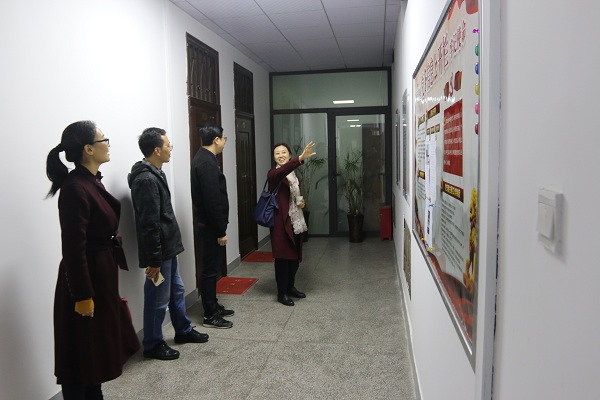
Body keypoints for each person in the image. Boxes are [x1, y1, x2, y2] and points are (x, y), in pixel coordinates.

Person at [46, 120, 140, 400]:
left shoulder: (90, 181)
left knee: (94, 352)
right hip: (84, 281)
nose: (108, 144)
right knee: (80, 355)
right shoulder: (75, 187)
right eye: (103, 140)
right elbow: (73, 248)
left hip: (100, 273)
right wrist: (83, 296)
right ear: (88, 149)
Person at [128, 127, 209, 361]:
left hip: (168, 248)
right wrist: (154, 260)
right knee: (157, 298)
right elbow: (149, 223)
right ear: (157, 150)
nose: (170, 149)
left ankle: (182, 330)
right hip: (159, 253)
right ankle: (153, 343)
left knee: (177, 291)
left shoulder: (156, 173)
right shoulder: (145, 179)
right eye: (168, 145)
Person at [190, 124, 235, 329]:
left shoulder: (206, 158)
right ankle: (210, 314)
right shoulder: (206, 163)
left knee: (212, 267)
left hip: (209, 225)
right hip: (210, 227)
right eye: (224, 138)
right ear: (216, 140)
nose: (225, 142)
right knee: (210, 270)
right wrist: (220, 230)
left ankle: (213, 305)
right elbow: (212, 201)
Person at [268, 141, 316, 306]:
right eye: (277, 153)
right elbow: (283, 170)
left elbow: (295, 194)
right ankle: (282, 293)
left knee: (294, 257)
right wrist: (300, 158)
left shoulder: (294, 175)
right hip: (281, 223)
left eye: (284, 152)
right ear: (274, 157)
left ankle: (290, 287)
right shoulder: (274, 174)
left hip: (295, 219)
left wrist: (301, 202)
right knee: (282, 259)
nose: (280, 155)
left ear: (289, 155)